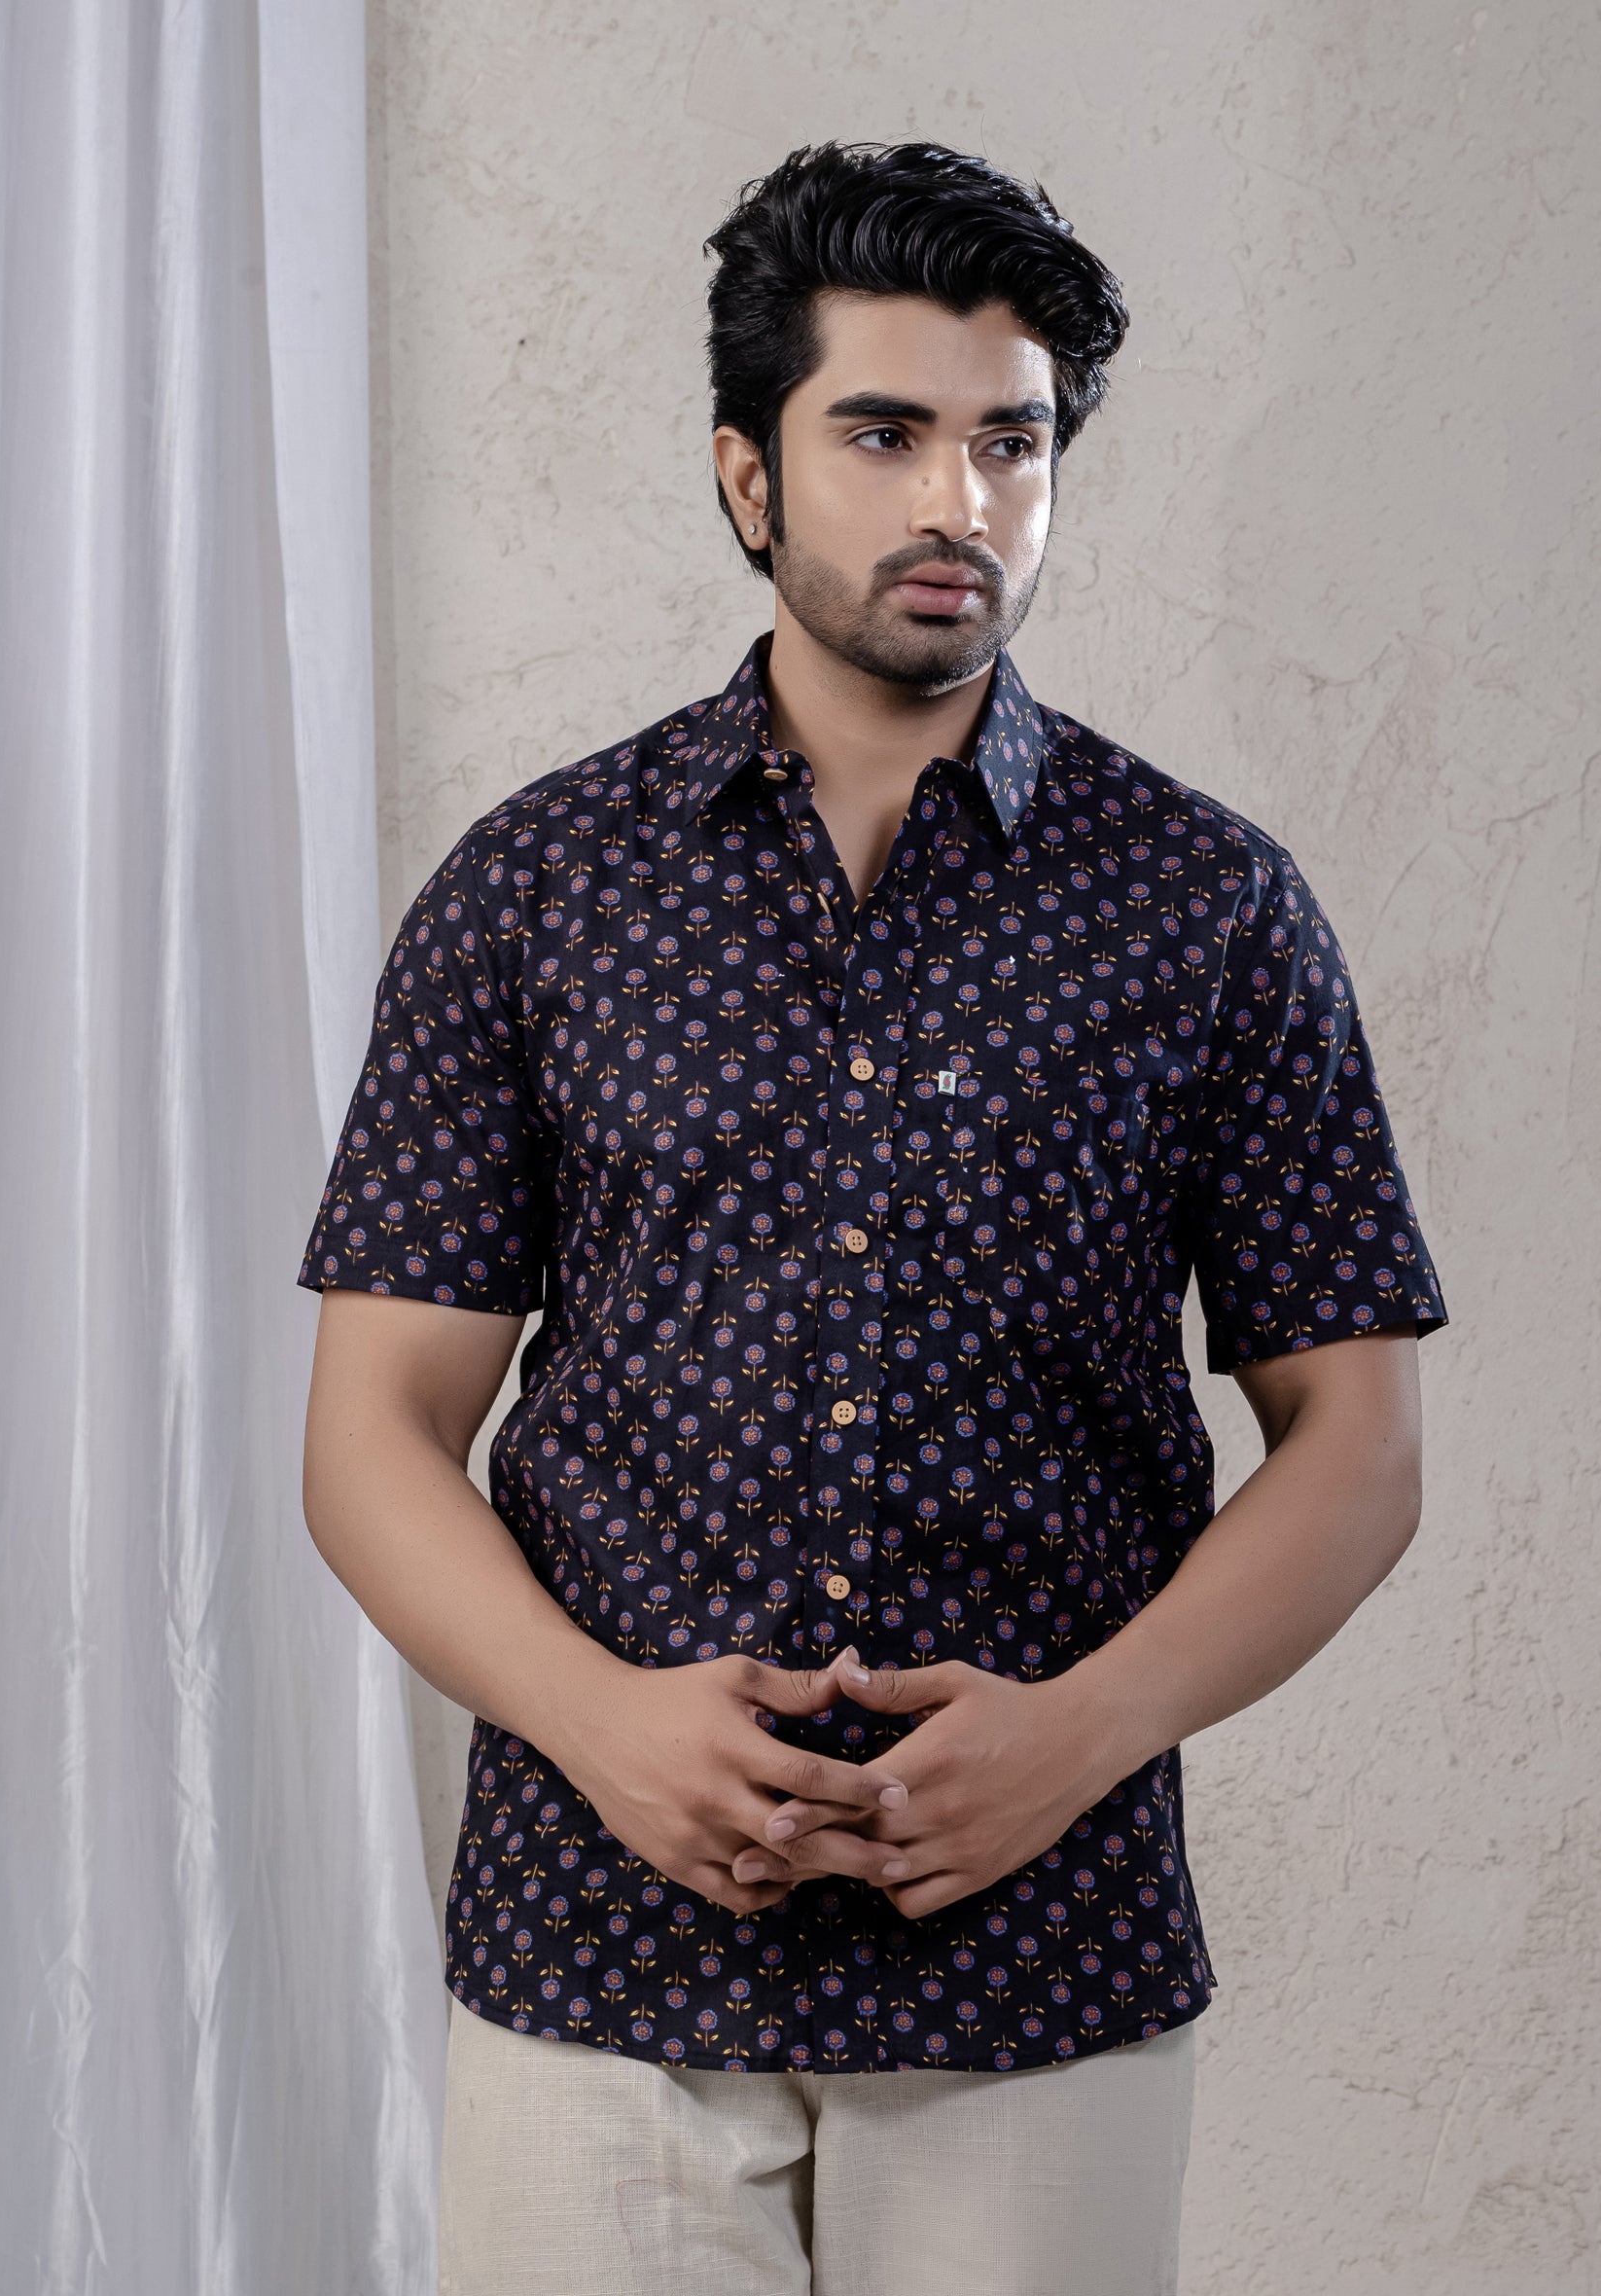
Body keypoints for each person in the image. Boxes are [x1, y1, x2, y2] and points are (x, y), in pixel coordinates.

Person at [298, 140, 1447, 2295]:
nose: (959, 502)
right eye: (885, 433)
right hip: (601, 1955)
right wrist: (596, 1719)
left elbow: (1360, 1448)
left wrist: (1083, 1734)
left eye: (1013, 442)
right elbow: (372, 1434)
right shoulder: (539, 890)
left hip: (1041, 1958)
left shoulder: (1206, 905)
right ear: (749, 476)